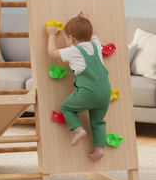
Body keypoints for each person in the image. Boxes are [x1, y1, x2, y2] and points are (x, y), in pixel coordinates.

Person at [46, 11, 111, 161]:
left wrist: (51, 35)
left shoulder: (73, 51)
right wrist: (87, 19)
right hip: (105, 92)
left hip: (88, 92)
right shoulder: (96, 47)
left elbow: (52, 52)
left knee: (66, 107)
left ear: (71, 38)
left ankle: (79, 130)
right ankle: (99, 149)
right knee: (98, 120)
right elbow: (95, 34)